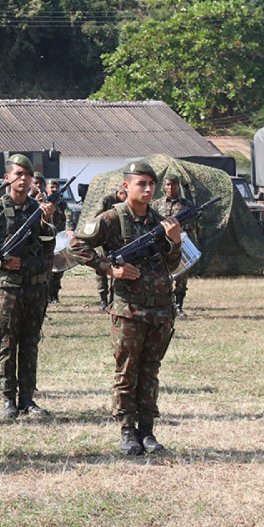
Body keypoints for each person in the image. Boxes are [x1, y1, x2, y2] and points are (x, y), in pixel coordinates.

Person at [68, 160, 181, 456]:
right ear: (126, 187)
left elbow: (173, 266)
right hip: (129, 309)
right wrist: (109, 269)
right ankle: (128, 430)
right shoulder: (111, 219)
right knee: (127, 371)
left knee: (150, 371)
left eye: (150, 184)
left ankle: (147, 431)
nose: (147, 188)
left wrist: (175, 242)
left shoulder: (160, 221)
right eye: (140, 183)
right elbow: (76, 246)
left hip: (160, 309)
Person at [0, 154, 59, 418]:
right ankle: (7, 399)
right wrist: (0, 260)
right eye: (18, 174)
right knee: (6, 341)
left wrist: (48, 221)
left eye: (27, 175)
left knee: (30, 342)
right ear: (7, 178)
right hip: (8, 288)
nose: (23, 179)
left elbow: (49, 246)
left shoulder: (39, 210)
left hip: (35, 287)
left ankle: (27, 398)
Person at [151, 174, 192, 317]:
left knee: (181, 277)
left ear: (178, 185)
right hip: (162, 244)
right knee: (163, 275)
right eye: (168, 184)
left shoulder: (187, 205)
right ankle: (165, 305)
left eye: (173, 184)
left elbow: (194, 222)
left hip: (180, 243)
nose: (170, 187)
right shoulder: (156, 204)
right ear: (164, 186)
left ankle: (179, 306)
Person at [94, 182, 127, 311]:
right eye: (126, 195)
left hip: (117, 239)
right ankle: (103, 299)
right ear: (120, 193)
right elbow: (98, 218)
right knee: (101, 269)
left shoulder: (127, 204)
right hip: (103, 239)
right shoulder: (106, 200)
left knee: (116, 267)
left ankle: (114, 298)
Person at [44, 179, 72, 303]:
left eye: (56, 187)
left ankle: (55, 294)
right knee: (47, 270)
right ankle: (47, 295)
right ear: (47, 189)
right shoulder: (42, 202)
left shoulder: (62, 204)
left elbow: (69, 217)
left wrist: (69, 229)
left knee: (59, 269)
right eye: (51, 187)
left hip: (59, 239)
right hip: (45, 239)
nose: (54, 189)